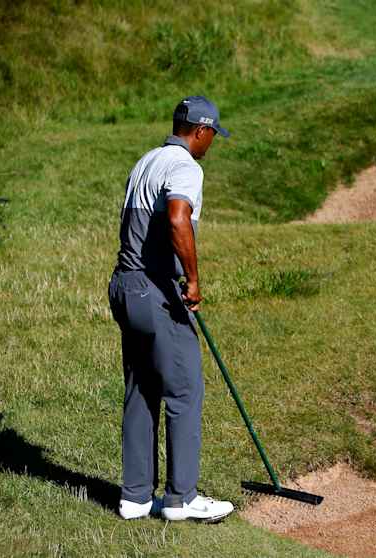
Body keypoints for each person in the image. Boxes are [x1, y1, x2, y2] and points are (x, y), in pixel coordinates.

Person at [108, 96, 234, 522]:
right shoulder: (186, 167)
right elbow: (179, 218)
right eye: (213, 134)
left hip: (124, 287)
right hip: (155, 289)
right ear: (200, 130)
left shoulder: (146, 160)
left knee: (141, 389)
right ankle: (182, 498)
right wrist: (193, 280)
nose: (212, 143)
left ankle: (136, 497)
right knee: (183, 391)